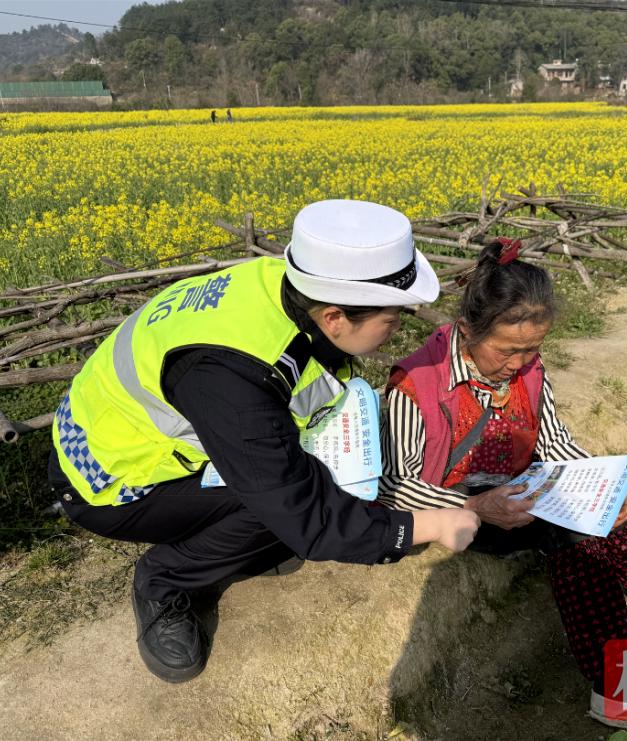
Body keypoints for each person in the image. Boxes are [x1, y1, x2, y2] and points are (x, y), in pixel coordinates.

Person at [48, 199, 481, 683]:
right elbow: (301, 511)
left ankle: (240, 545)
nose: (398, 327)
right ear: (335, 318)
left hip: (150, 440)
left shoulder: (284, 288)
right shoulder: (230, 378)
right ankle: (164, 580)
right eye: (393, 317)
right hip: (108, 481)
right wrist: (426, 525)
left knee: (293, 486)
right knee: (275, 505)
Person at [379, 240, 627, 733]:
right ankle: (614, 688)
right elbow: (395, 486)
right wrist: (475, 504)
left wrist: (602, 482)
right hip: (459, 508)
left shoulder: (530, 371)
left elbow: (555, 441)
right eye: (507, 350)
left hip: (519, 490)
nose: (519, 362)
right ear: (467, 330)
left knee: (613, 507)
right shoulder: (416, 383)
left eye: (531, 349)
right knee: (576, 541)